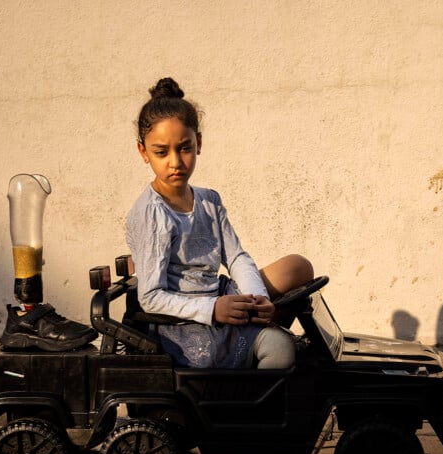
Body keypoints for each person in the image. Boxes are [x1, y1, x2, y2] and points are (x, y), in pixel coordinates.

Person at [126, 78, 314, 369]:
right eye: (161, 152)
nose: (175, 162)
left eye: (184, 148)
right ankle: (242, 400)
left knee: (298, 267)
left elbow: (236, 256)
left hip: (222, 298)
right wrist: (212, 309)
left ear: (198, 143)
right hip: (185, 326)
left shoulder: (208, 201)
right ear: (143, 152)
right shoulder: (152, 214)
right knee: (281, 351)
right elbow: (150, 298)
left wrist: (258, 298)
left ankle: (261, 330)